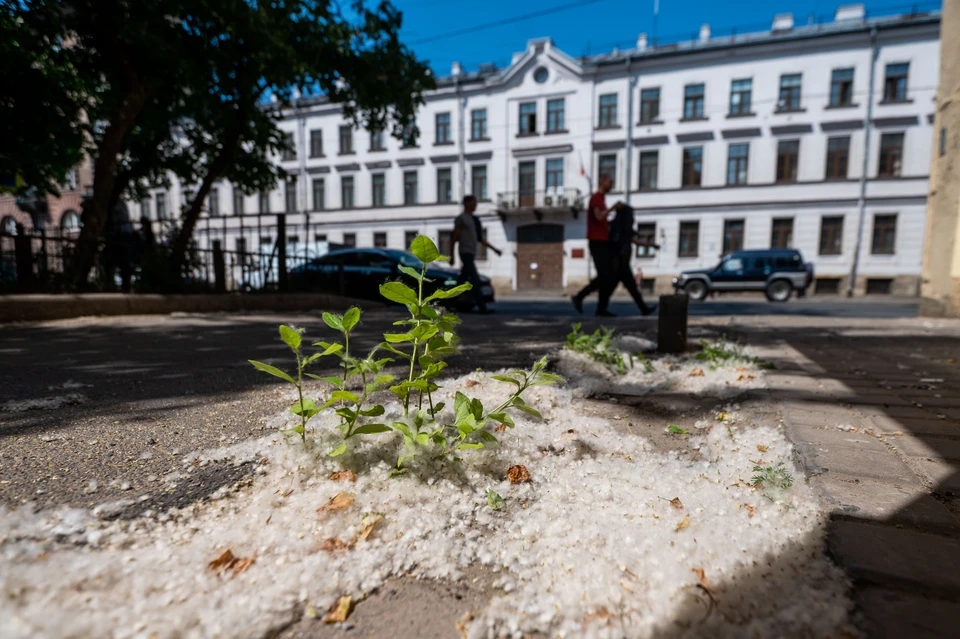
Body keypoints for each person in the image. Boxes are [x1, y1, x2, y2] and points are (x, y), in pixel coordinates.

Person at [571, 175, 622, 317]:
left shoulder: (601, 199)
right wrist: (613, 208)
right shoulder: (596, 198)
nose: (611, 185)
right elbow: (599, 217)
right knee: (605, 275)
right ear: (601, 182)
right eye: (609, 182)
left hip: (603, 241)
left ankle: (601, 309)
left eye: (612, 182)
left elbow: (602, 220)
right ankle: (580, 297)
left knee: (607, 276)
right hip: (596, 241)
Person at [451, 195, 502, 313]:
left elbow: (481, 239)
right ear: (466, 203)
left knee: (461, 281)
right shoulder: (461, 219)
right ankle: (482, 307)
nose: (475, 205)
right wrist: (452, 255)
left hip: (471, 253)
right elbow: (454, 237)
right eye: (473, 203)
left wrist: (495, 249)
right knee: (474, 279)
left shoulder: (475, 220)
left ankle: (450, 303)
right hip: (465, 252)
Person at [608, 204, 659, 315]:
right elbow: (615, 245)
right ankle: (644, 309)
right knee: (627, 288)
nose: (632, 217)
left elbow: (635, 241)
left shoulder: (624, 228)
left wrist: (651, 245)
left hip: (623, 263)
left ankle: (644, 309)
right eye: (631, 215)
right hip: (621, 264)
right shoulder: (617, 228)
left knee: (624, 288)